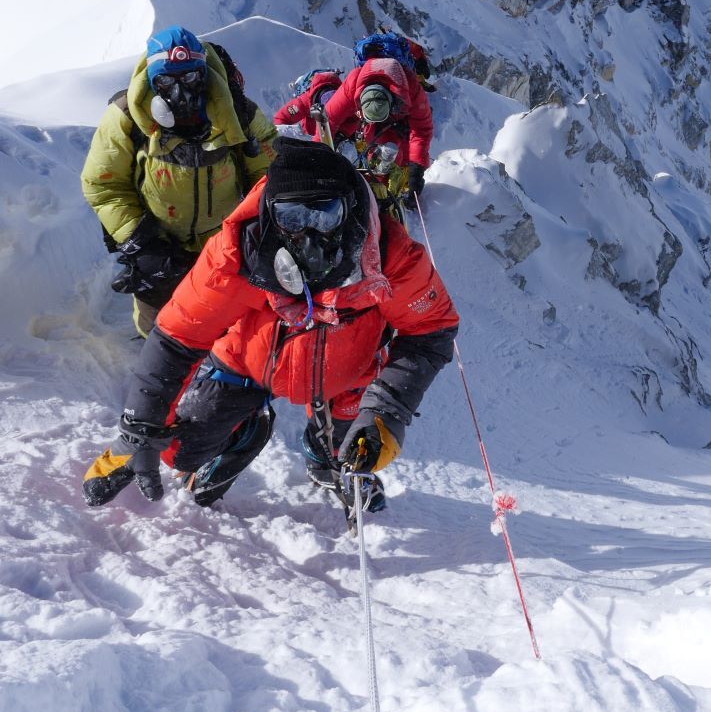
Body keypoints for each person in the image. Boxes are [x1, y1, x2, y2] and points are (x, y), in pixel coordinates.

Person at [82, 140, 458, 515]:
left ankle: (325, 453)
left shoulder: (391, 257)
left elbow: (431, 329)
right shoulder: (236, 252)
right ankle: (245, 431)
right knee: (178, 451)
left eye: (325, 215)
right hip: (248, 362)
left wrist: (385, 410)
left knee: (356, 450)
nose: (309, 234)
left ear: (351, 212)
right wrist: (141, 427)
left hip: (347, 376)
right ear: (270, 215)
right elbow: (179, 334)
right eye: (291, 219)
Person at [81, 26, 277, 337]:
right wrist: (140, 241)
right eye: (166, 81)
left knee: (225, 324)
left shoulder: (235, 113)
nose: (180, 92)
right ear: (151, 83)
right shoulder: (127, 117)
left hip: (222, 243)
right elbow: (102, 183)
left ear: (204, 76)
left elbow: (268, 174)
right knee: (157, 326)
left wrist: (253, 228)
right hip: (158, 240)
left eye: (189, 78)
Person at [322, 51, 434, 209]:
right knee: (374, 151)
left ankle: (384, 192)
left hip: (399, 122)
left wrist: (417, 169)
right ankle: (374, 189)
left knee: (395, 156)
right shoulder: (353, 84)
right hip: (373, 119)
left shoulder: (411, 89)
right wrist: (320, 155)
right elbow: (327, 121)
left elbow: (421, 131)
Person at [274, 68, 344, 138]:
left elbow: (280, 119)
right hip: (343, 122)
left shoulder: (305, 99)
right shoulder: (338, 88)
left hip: (322, 112)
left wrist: (298, 130)